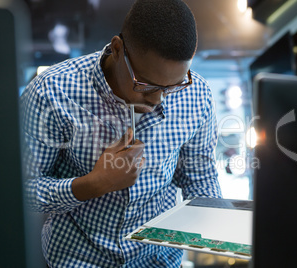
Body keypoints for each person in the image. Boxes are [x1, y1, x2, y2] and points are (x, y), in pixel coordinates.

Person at [20, 0, 222, 267]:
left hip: (158, 260)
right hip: (75, 259)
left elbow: (200, 177)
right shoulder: (52, 91)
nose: (159, 99)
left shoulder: (197, 95)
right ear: (117, 49)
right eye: (146, 85)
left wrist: (221, 230)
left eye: (174, 85)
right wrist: (93, 185)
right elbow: (22, 191)